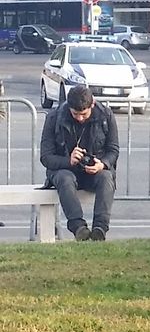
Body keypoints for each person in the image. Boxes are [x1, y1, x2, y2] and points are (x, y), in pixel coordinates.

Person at [40, 86, 118, 241]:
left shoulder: (105, 115)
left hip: (94, 170)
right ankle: (78, 228)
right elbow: (46, 157)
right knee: (65, 178)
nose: (80, 118)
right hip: (64, 170)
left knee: (106, 177)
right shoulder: (54, 118)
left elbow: (113, 150)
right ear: (69, 107)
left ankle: (100, 229)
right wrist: (68, 160)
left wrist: (102, 164)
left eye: (84, 114)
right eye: (75, 114)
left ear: (92, 104)